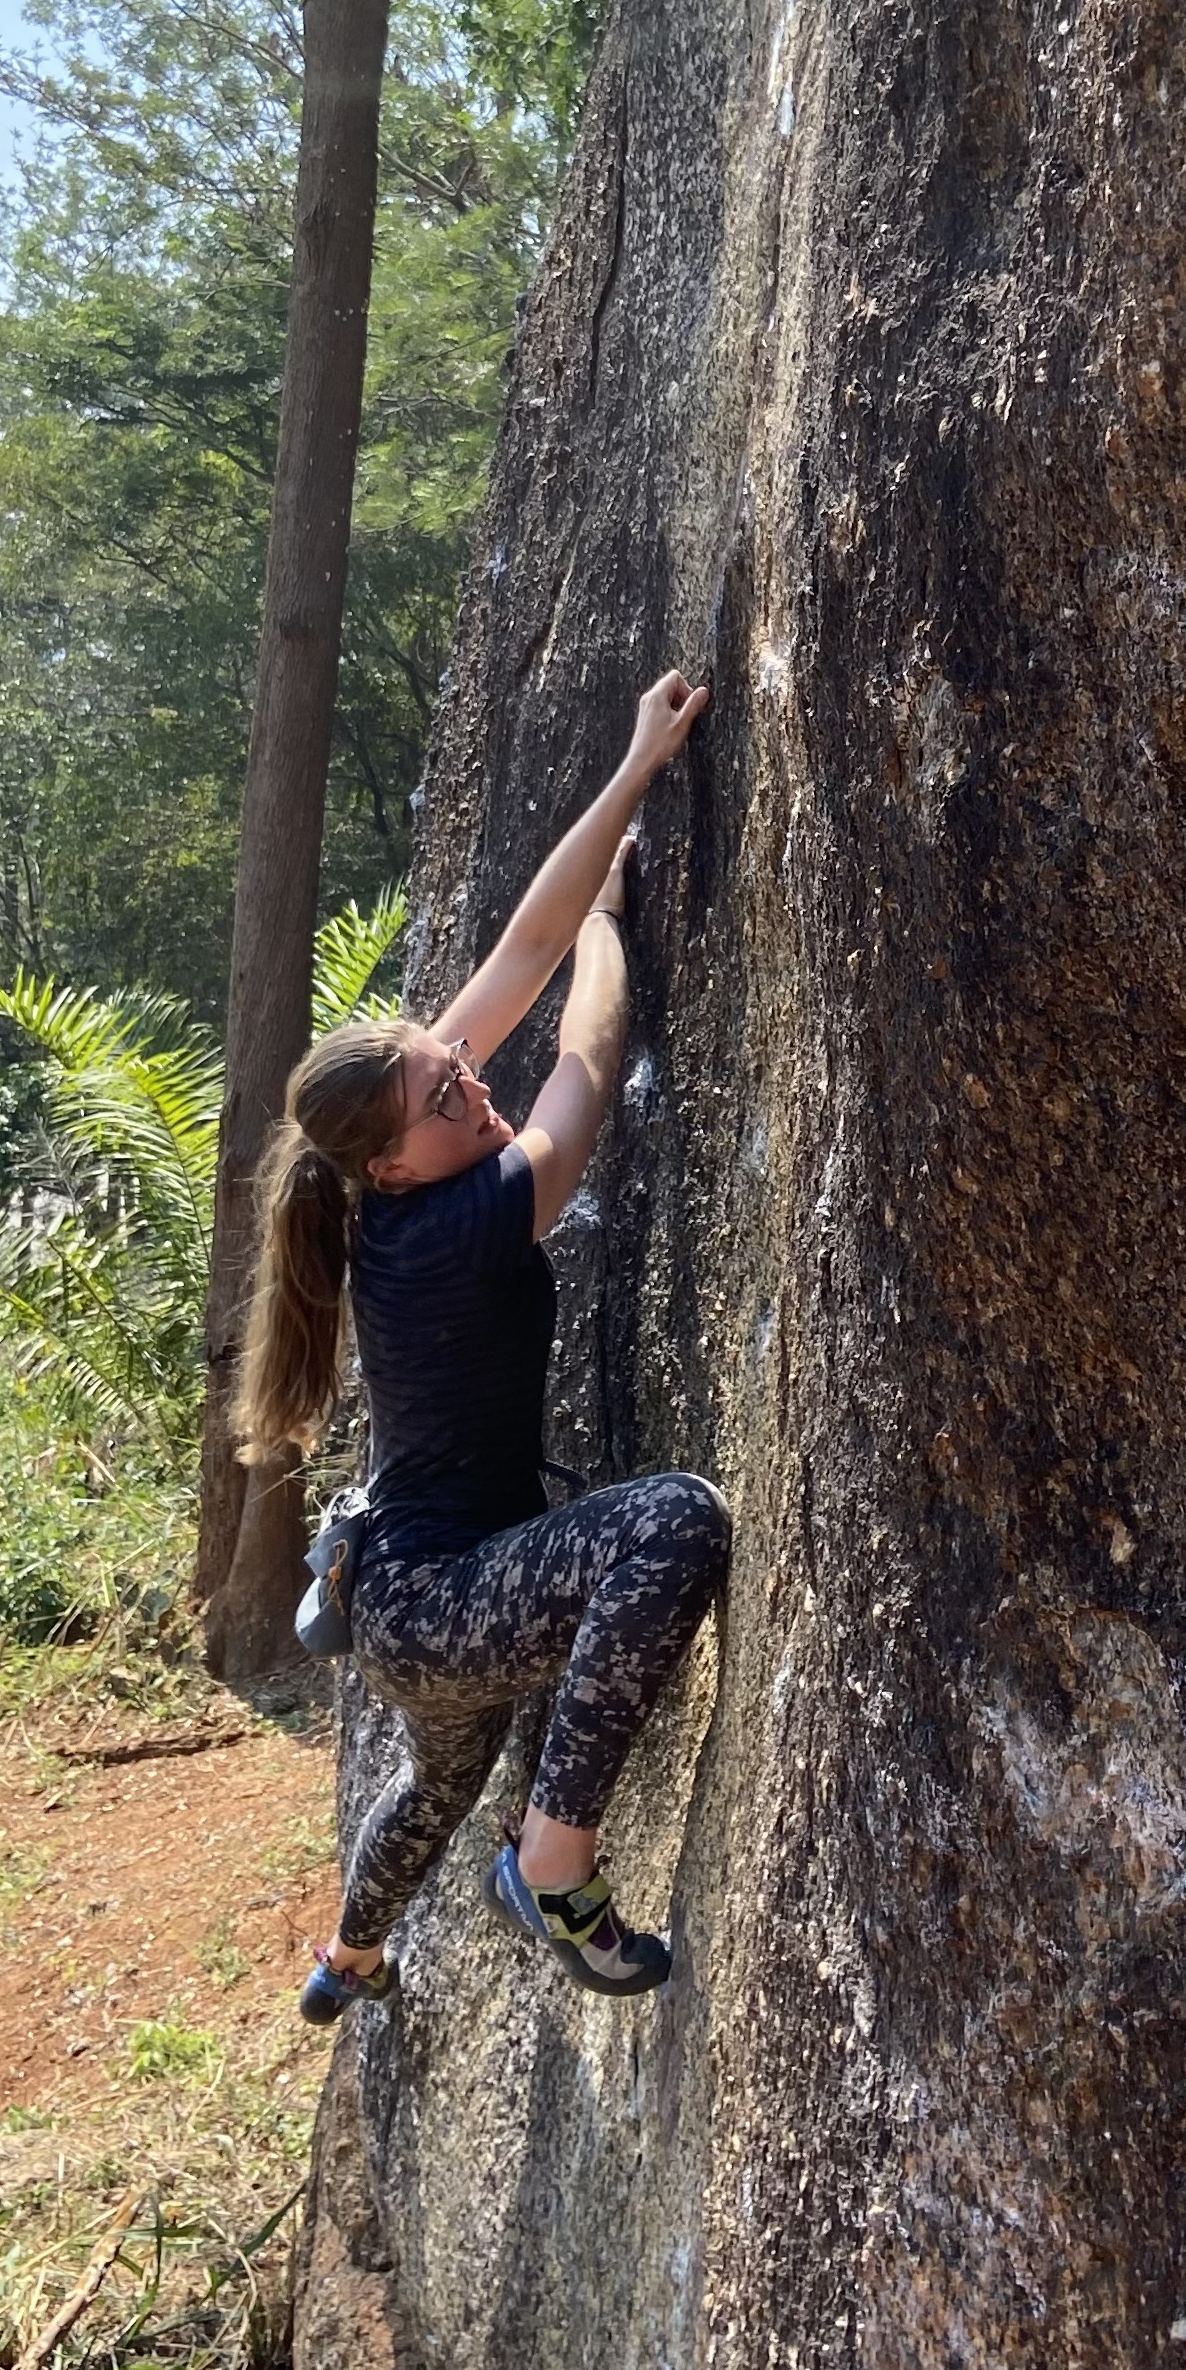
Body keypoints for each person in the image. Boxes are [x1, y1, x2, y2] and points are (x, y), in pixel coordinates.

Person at [233, 668, 728, 2015]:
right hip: (442, 1597)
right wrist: (612, 931)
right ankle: (552, 1865)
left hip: (409, 1594)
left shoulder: (394, 1146)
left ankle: (347, 1954)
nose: (473, 1085)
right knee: (674, 1524)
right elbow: (582, 1051)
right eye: (446, 1095)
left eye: (453, 1066)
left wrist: (631, 768)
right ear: (394, 1167)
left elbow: (517, 949)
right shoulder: (458, 1216)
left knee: (434, 1781)